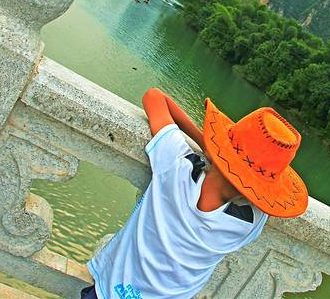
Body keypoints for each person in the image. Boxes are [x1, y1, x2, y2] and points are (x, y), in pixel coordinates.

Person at [82, 88, 308, 299]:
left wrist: (206, 142)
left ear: (220, 151)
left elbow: (154, 97)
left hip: (110, 289)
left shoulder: (177, 166)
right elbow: (264, 200)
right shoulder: (249, 224)